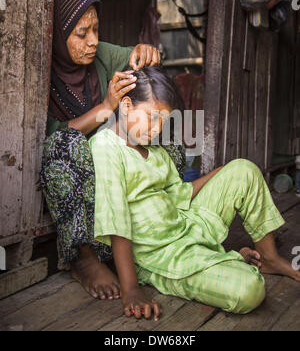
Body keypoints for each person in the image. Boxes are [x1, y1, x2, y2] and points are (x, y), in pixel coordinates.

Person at [89, 67, 300, 320]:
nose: (156, 129)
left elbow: (180, 194)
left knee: (243, 169)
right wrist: (131, 289)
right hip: (160, 256)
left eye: (162, 122)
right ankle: (228, 261)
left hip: (184, 226)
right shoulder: (106, 145)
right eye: (151, 117)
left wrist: (222, 172)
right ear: (125, 106)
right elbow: (116, 220)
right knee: (249, 291)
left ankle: (269, 258)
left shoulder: (154, 152)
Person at [41, 0, 186, 301]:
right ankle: (85, 258)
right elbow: (50, 137)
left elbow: (138, 61)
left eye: (96, 29)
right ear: (56, 34)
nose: (93, 41)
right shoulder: (38, 72)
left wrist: (147, 53)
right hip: (79, 177)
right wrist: (106, 108)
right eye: (82, 33)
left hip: (118, 170)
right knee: (64, 145)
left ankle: (159, 228)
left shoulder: (102, 54)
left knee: (170, 140)